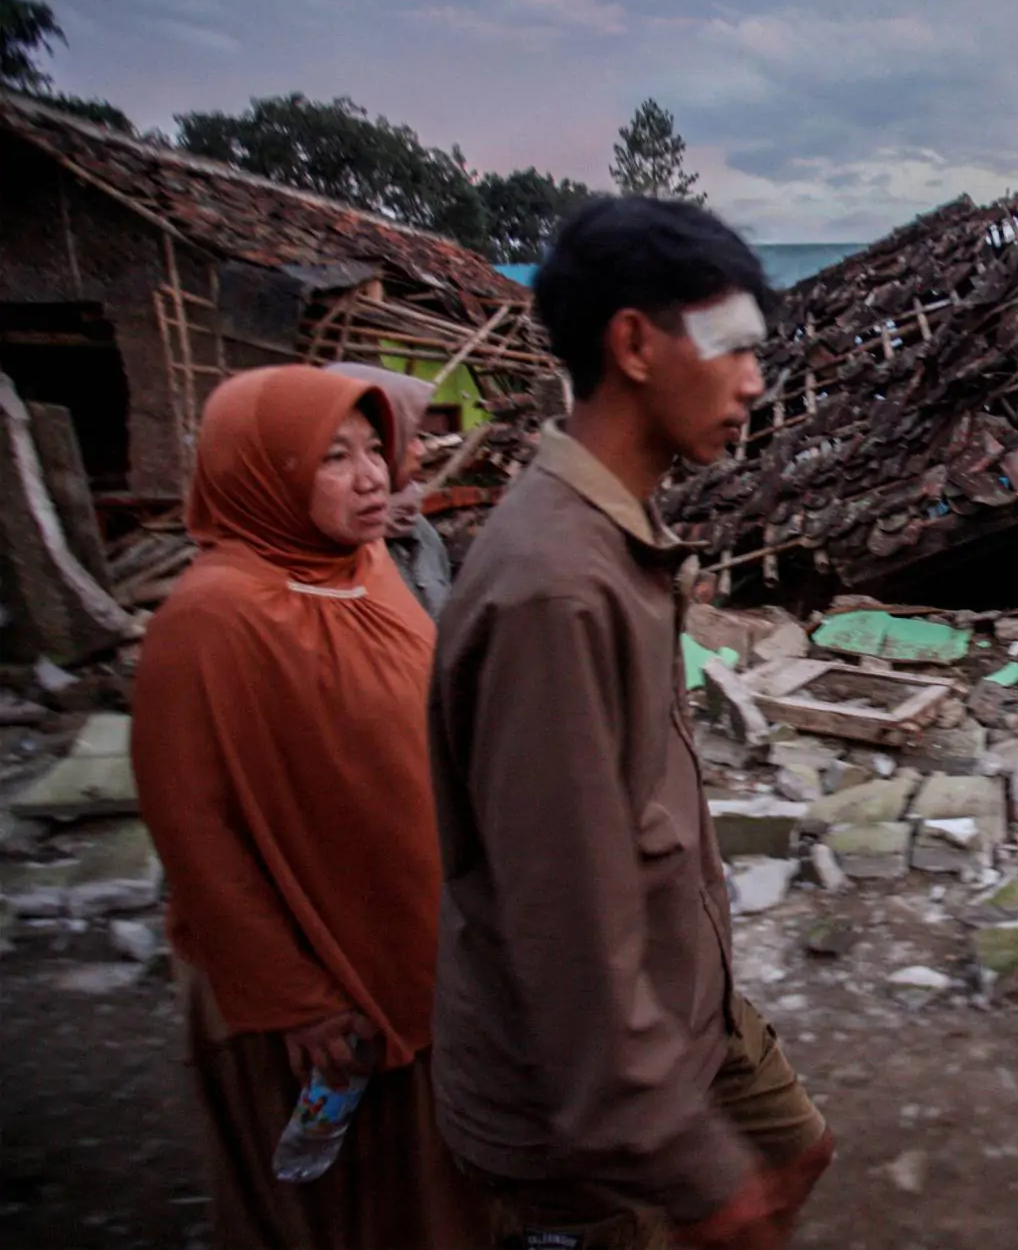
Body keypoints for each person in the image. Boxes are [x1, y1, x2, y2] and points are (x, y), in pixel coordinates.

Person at [429, 197, 833, 1248]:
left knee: (797, 1150)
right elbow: (564, 925)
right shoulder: (554, 591)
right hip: (579, 1107)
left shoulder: (620, 535)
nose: (754, 380)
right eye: (731, 345)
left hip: (683, 1004)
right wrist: (688, 1160)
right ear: (633, 343)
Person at [130, 365, 486, 1249]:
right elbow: (195, 832)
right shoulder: (213, 619)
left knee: (427, 1190)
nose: (375, 477)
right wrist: (297, 999)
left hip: (413, 947)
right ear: (265, 468)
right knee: (332, 1209)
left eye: (376, 450)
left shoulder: (366, 571)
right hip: (319, 988)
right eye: (334, 457)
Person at [326, 363, 453, 620]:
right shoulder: (328, 550)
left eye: (373, 448)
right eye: (410, 436)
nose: (421, 450)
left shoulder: (418, 529)